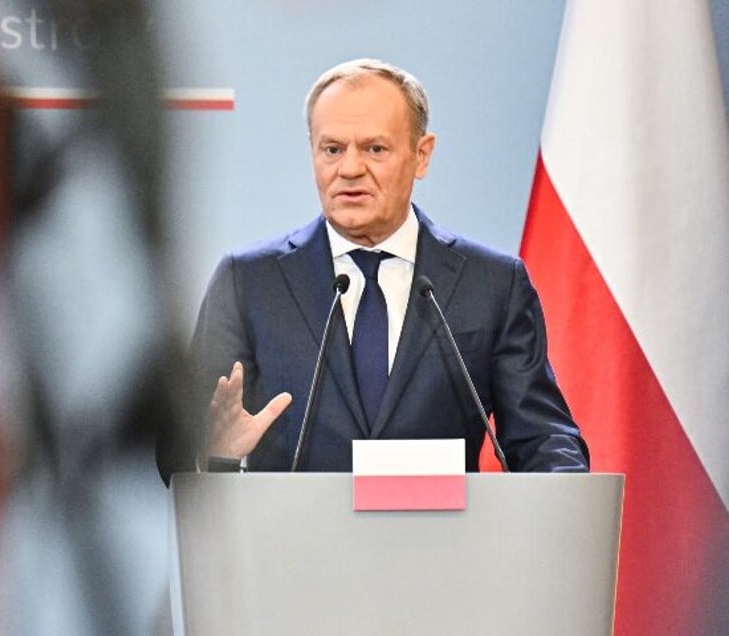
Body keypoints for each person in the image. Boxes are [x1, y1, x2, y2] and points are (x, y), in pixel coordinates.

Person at [189, 58, 589, 472]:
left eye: (374, 149)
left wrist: (567, 493)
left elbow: (542, 437)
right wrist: (211, 450)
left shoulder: (491, 285)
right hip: (292, 535)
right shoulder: (250, 282)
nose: (349, 169)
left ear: (421, 155)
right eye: (332, 149)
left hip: (444, 536)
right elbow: (182, 437)